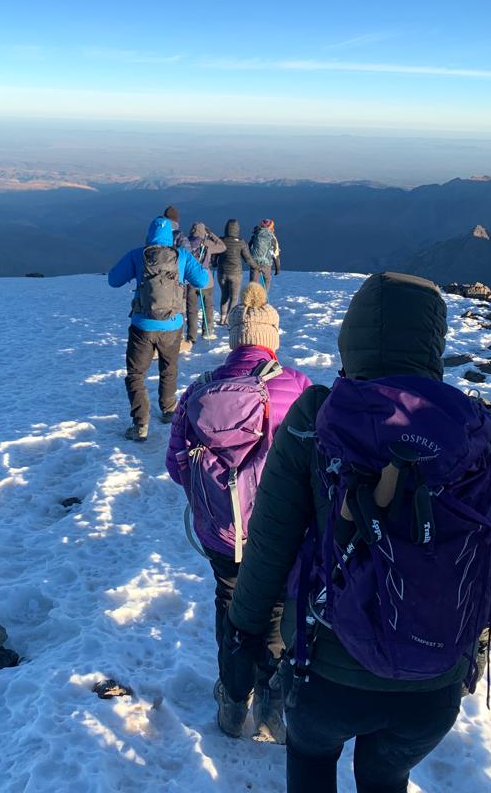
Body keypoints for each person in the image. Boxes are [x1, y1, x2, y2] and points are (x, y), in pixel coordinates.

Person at [216, 272, 491, 792]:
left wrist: (244, 635)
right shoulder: (478, 430)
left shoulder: (318, 416)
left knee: (311, 760)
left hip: (327, 671)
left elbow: (270, 543)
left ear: (351, 336)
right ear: (434, 340)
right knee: (386, 775)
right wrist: (478, 645)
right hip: (433, 681)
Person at [167, 282, 311, 742]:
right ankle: (272, 706)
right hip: (280, 531)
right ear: (271, 339)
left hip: (221, 532)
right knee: (273, 609)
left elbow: (175, 465)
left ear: (233, 340)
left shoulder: (198, 392)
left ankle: (233, 703)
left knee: (229, 605)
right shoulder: (297, 387)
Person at [108, 216, 209, 442]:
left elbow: (113, 280)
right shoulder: (181, 256)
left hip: (142, 325)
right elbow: (203, 280)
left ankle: (140, 424)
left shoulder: (137, 255)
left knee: (136, 374)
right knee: (169, 366)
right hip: (172, 324)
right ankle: (168, 409)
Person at [184, 222, 225, 345]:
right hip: (206, 280)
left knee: (191, 309)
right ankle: (207, 331)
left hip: (190, 280)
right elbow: (222, 247)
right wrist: (211, 234)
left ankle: (192, 336)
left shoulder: (185, 243)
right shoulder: (207, 244)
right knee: (208, 306)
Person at [213, 219, 257, 323]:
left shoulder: (221, 240)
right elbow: (248, 258)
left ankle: (222, 318)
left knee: (224, 295)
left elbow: (214, 256)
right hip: (236, 273)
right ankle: (229, 318)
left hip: (222, 272)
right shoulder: (241, 242)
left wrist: (214, 263)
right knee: (234, 297)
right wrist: (256, 267)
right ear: (237, 230)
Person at [248, 219, 281, 289]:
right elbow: (276, 254)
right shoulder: (272, 237)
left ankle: (252, 298)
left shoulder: (256, 234)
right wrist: (277, 268)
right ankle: (263, 297)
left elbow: (248, 247)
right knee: (267, 280)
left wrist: (249, 260)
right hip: (266, 263)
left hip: (254, 262)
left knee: (253, 282)